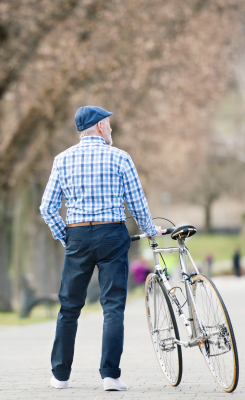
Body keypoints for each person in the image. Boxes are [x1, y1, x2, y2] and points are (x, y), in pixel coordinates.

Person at [40, 106, 165, 391]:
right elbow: (136, 203)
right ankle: (110, 376)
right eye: (108, 124)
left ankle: (60, 377)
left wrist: (66, 237)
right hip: (112, 234)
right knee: (113, 307)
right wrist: (149, 230)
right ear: (99, 127)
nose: (111, 129)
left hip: (78, 236)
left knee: (69, 308)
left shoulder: (62, 160)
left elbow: (47, 209)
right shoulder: (120, 157)